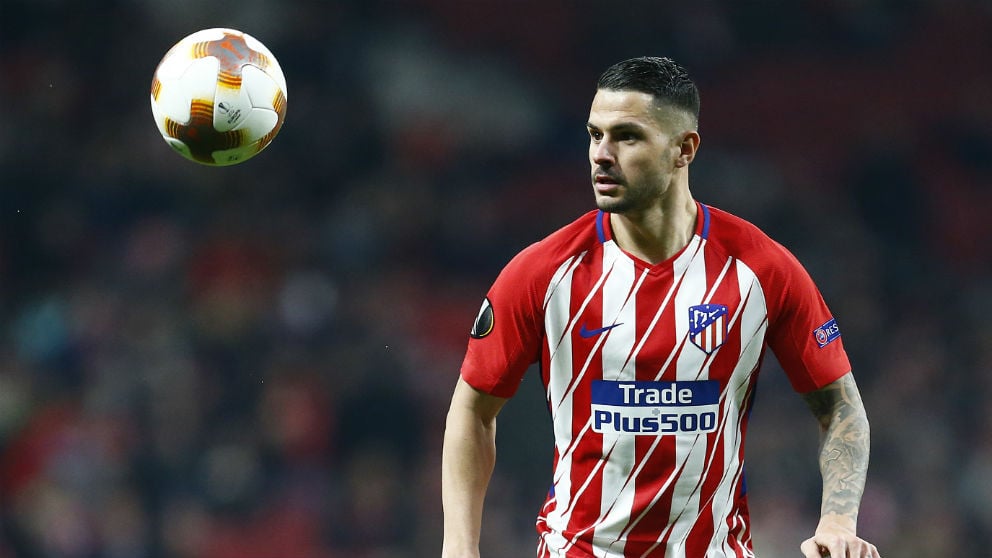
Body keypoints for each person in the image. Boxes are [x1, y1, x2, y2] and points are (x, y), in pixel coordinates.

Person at [440, 56, 880, 558]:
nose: (600, 155)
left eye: (627, 137)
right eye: (594, 134)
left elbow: (840, 405)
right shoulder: (542, 272)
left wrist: (838, 520)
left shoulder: (762, 269)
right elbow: (473, 409)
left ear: (683, 149)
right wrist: (459, 548)